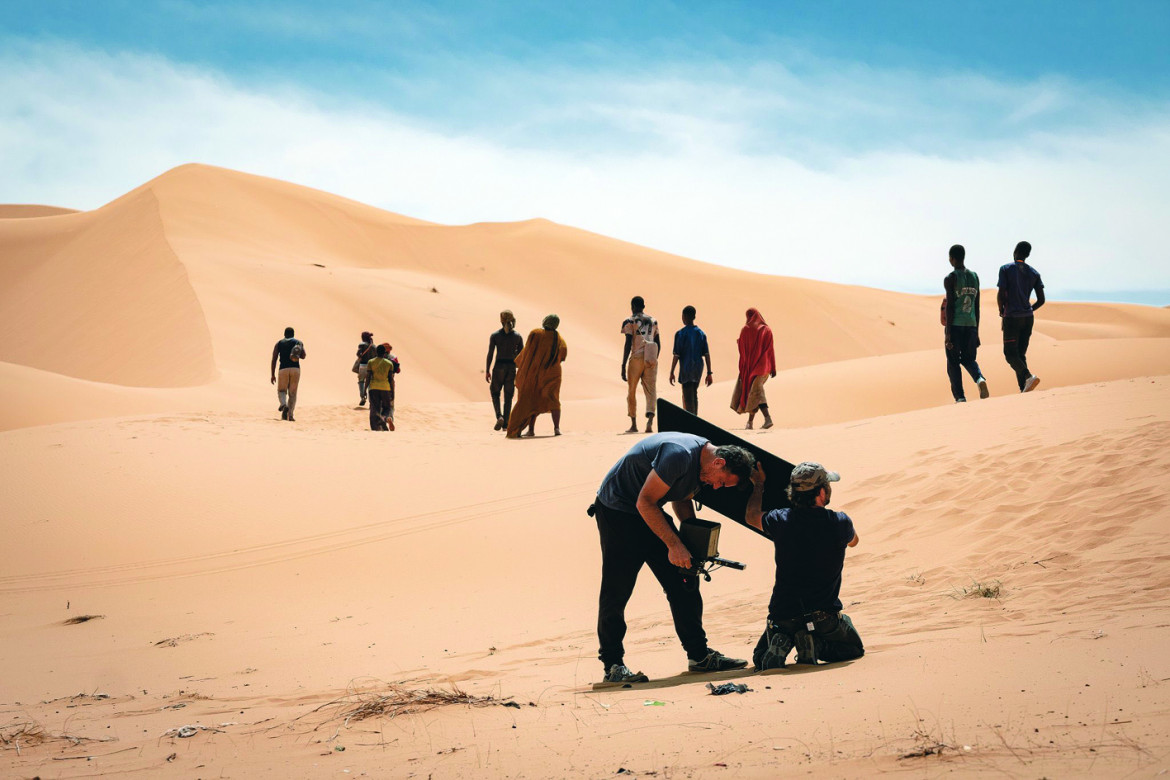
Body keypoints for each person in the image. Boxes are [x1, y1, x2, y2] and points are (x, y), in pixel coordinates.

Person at [591, 432, 756, 683]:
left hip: (648, 512)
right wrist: (674, 544)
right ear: (719, 463)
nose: (716, 487)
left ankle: (699, 657)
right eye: (721, 482)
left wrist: (691, 537)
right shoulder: (679, 454)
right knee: (617, 590)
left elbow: (682, 495)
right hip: (618, 512)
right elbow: (644, 501)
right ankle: (612, 665)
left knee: (685, 579)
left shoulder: (704, 464)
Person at [745, 461, 864, 669]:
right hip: (823, 618)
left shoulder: (779, 520)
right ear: (820, 492)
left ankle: (784, 638)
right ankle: (815, 644)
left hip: (783, 616)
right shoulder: (839, 522)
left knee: (759, 658)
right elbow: (854, 541)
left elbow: (751, 516)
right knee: (853, 649)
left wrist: (758, 485)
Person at [506, 314, 567, 438]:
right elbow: (562, 356)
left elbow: (527, 352)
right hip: (553, 374)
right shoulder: (558, 338)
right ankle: (556, 428)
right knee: (553, 400)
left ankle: (531, 429)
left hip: (534, 374)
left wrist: (521, 364)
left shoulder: (536, 334)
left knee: (531, 399)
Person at [943, 245, 989, 403]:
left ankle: (960, 397)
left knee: (953, 362)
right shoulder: (975, 276)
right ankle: (979, 378)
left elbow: (949, 307)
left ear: (953, 258)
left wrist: (948, 334)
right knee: (969, 359)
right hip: (971, 325)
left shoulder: (950, 278)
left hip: (955, 326)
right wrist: (976, 331)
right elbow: (976, 305)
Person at [997, 241, 1045, 393]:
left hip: (1012, 317)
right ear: (1028, 255)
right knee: (1020, 355)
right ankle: (1024, 388)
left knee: (1010, 355)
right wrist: (1030, 309)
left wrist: (1001, 310)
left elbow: (1001, 293)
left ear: (1015, 251)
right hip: (1028, 318)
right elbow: (1042, 300)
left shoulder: (1006, 269)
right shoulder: (1034, 273)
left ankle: (1028, 376)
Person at [621, 296, 661, 434]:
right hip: (650, 357)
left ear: (632, 306)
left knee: (632, 390)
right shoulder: (653, 321)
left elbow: (628, 343)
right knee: (651, 391)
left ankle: (633, 424)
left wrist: (623, 364)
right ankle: (650, 421)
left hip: (636, 357)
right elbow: (658, 343)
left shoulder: (629, 321)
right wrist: (654, 359)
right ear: (644, 306)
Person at [732, 308, 775, 429]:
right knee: (754, 392)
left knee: (756, 392)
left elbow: (742, 349)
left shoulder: (745, 329)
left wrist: (739, 342)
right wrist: (773, 367)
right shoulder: (767, 330)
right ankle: (750, 422)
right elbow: (770, 350)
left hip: (753, 368)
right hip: (765, 367)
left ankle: (768, 418)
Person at [669, 305, 713, 415]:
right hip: (698, 368)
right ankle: (694, 417)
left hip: (686, 368)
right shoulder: (701, 333)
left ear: (685, 316)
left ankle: (691, 420)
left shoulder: (680, 334)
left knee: (688, 395)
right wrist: (709, 372)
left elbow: (676, 355)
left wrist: (671, 372)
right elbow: (707, 354)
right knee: (693, 393)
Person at [486, 310, 525, 431]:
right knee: (508, 396)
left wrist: (487, 370)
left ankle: (499, 416)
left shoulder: (495, 336)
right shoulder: (517, 336)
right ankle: (506, 424)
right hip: (511, 367)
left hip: (499, 367)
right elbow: (522, 355)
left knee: (495, 392)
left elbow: (491, 354)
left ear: (501, 321)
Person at [270, 326, 306, 422]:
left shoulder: (279, 343)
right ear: (293, 334)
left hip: (283, 369)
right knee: (293, 393)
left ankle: (283, 404)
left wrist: (272, 374)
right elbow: (303, 356)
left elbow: (274, 359)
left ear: (284, 334)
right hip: (295, 369)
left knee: (282, 391)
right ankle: (290, 415)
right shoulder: (298, 342)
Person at [366, 343, 400, 431]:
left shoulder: (371, 362)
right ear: (384, 352)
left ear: (376, 352)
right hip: (386, 388)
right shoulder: (389, 363)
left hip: (373, 388)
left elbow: (368, 376)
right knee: (387, 407)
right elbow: (391, 379)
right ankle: (386, 418)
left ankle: (376, 428)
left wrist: (365, 389)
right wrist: (392, 391)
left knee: (374, 408)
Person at [355, 331, 377, 407]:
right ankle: (371, 401)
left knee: (361, 381)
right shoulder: (374, 346)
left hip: (363, 365)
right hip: (372, 367)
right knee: (370, 383)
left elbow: (358, 354)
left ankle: (363, 397)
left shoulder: (361, 345)